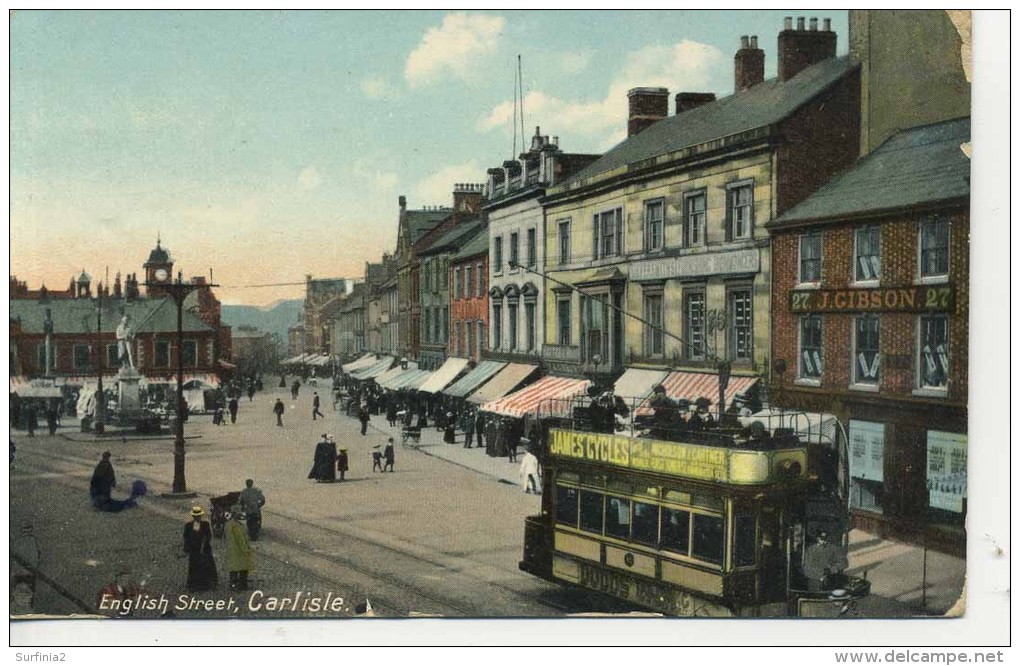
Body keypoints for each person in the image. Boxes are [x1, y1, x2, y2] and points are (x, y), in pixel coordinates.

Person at [183, 506, 217, 592]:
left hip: (204, 549)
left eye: (198, 516)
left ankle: (207, 583)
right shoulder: (188, 526)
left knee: (206, 566)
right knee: (195, 567)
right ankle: (195, 584)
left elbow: (208, 536)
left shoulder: (205, 524)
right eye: (196, 516)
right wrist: (187, 548)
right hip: (194, 550)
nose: (197, 517)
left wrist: (203, 545)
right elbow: (186, 537)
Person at [225, 508, 254, 592]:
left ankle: (233, 584)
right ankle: (242, 585)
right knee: (243, 568)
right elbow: (241, 539)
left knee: (233, 569)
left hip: (231, 549)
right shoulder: (237, 526)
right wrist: (246, 549)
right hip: (239, 550)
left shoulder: (229, 524)